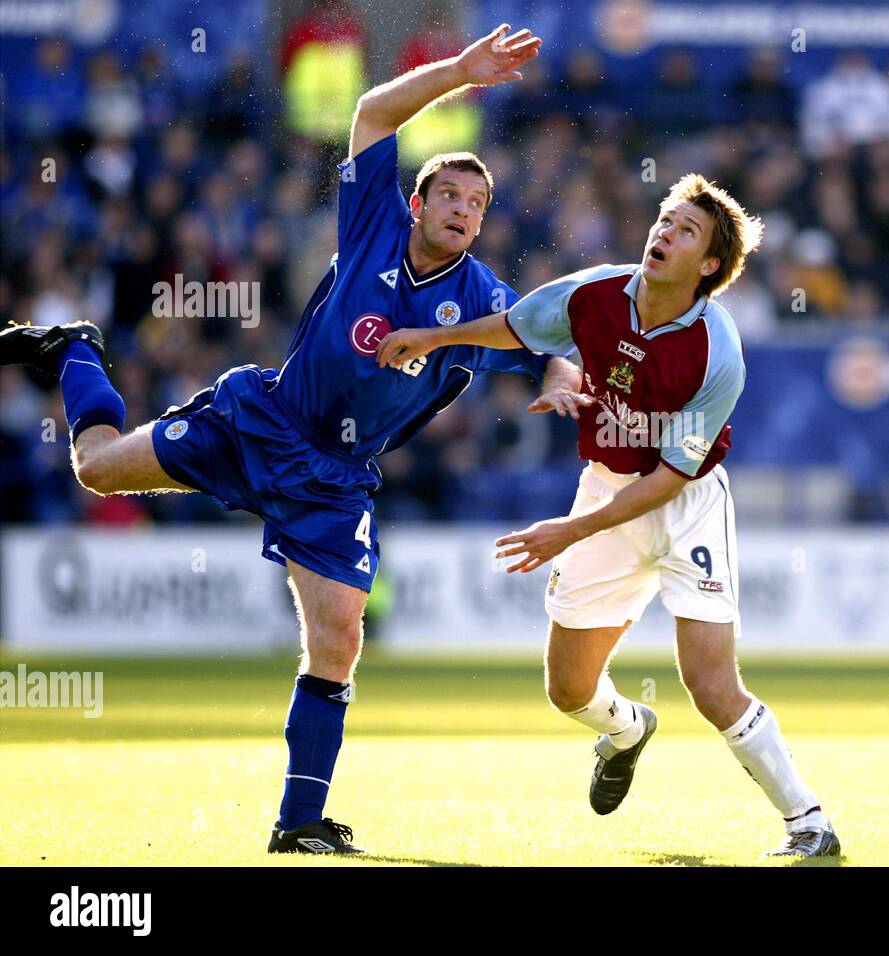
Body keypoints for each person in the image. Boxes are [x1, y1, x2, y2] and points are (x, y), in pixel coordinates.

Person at [0, 24, 581, 855]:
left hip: (335, 478)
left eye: (478, 205)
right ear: (416, 204)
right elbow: (373, 112)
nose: (465, 211)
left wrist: (559, 379)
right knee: (94, 469)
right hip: (259, 419)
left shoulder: (482, 292)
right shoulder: (373, 220)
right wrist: (459, 72)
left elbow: (536, 341)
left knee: (340, 634)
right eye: (451, 196)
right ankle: (77, 348)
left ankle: (299, 820)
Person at [373, 174, 840, 858]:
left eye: (685, 231)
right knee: (567, 690)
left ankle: (810, 824)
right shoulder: (595, 293)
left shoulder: (719, 352)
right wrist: (429, 338)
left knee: (711, 684)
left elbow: (665, 481)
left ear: (709, 265)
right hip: (604, 491)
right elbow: (516, 327)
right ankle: (626, 730)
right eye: (664, 219)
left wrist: (567, 532)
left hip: (685, 506)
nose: (663, 233)